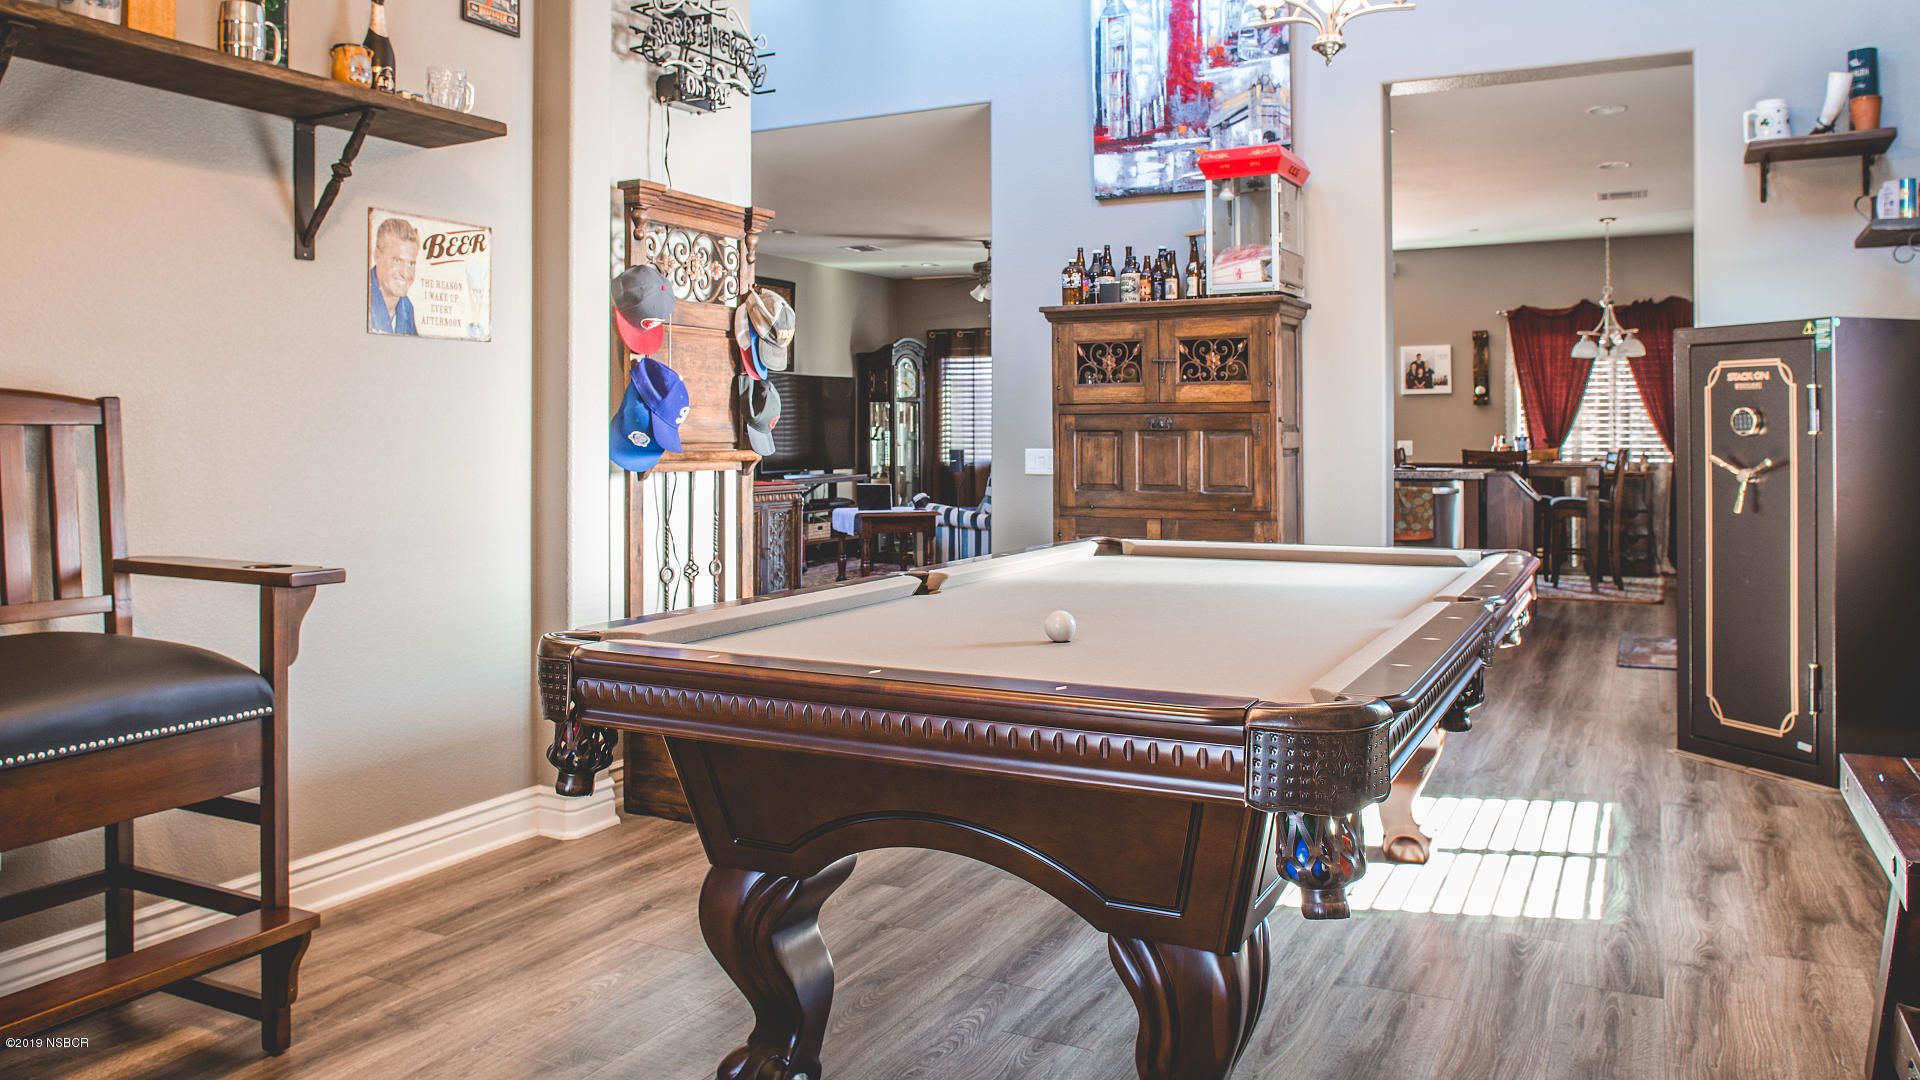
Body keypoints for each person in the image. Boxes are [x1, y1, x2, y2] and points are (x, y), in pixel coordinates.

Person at [369, 216, 420, 335]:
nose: (405, 273)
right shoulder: (363, 301)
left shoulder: (406, 308)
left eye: (411, 263)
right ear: (377, 256)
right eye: (397, 261)